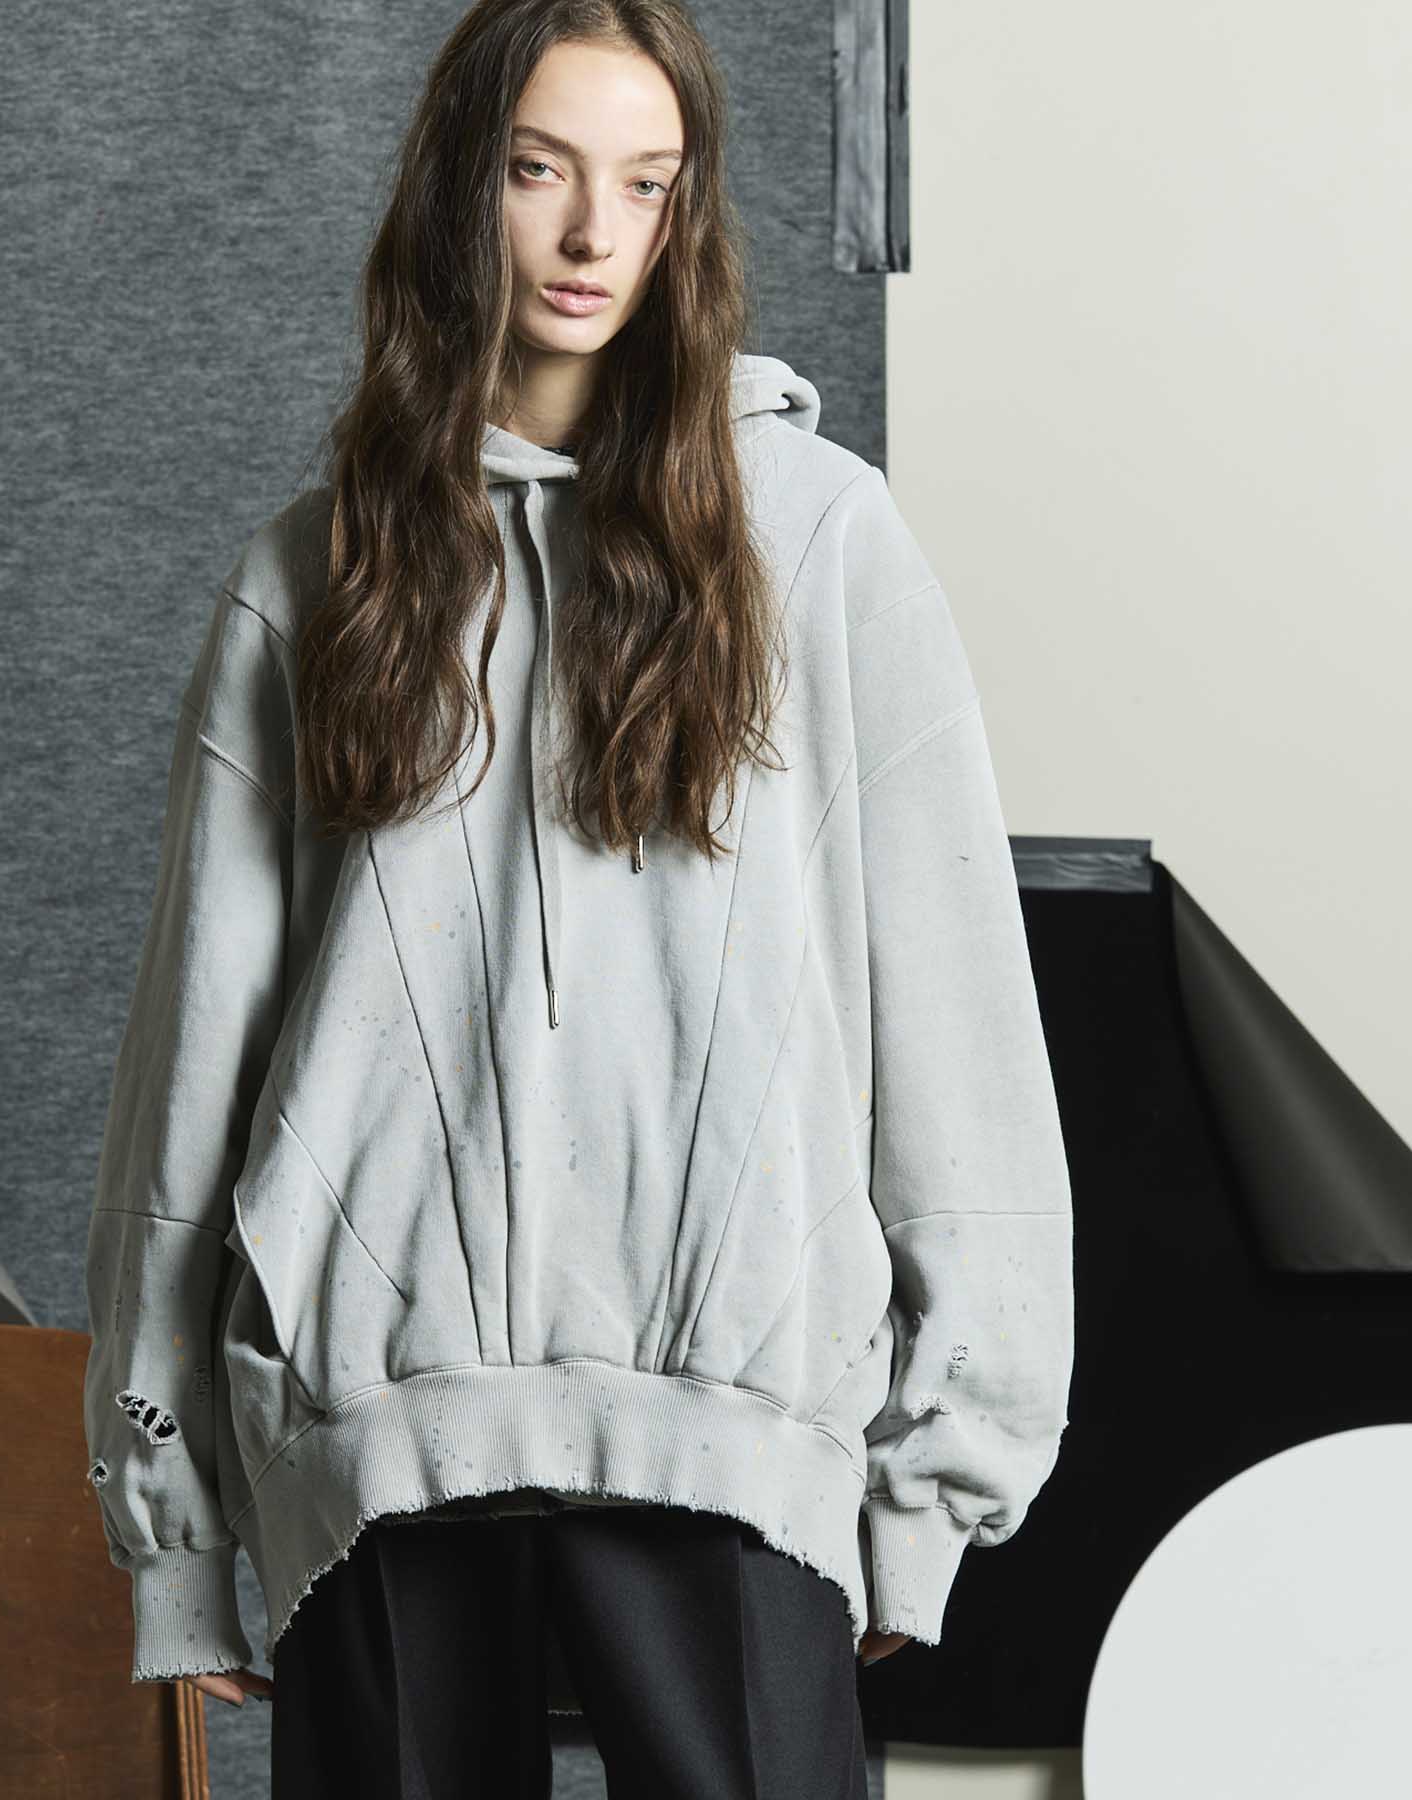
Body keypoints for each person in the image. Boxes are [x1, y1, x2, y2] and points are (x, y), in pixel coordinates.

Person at [80, 1, 1075, 1794]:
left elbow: (956, 1025)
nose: (593, 232)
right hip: (377, 1442)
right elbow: (193, 1066)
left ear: (688, 213)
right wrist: (173, 1518)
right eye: (542, 170)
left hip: (732, 1431)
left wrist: (940, 1474)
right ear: (464, 186)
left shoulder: (819, 539)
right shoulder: (315, 572)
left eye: (646, 182)